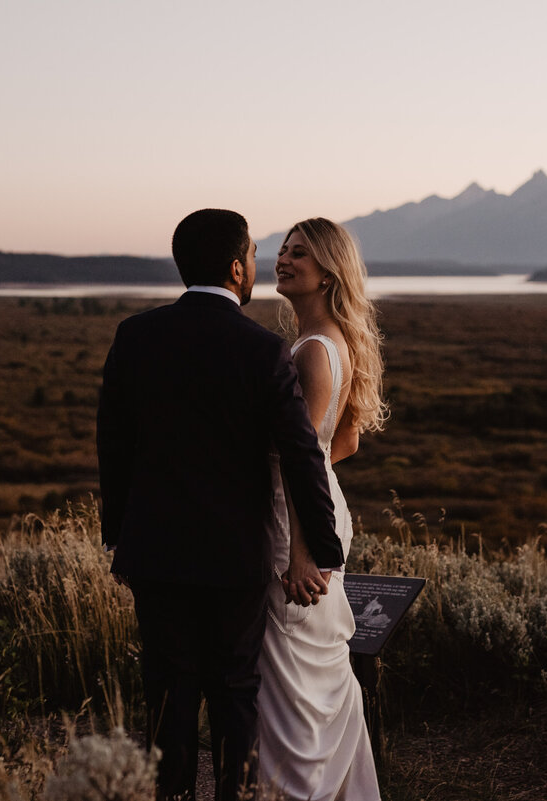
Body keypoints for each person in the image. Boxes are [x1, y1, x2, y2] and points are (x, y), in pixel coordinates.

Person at [96, 209, 344, 801]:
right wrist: (325, 546)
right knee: (236, 693)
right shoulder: (263, 352)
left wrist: (119, 535)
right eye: (257, 253)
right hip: (236, 559)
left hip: (155, 554)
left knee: (167, 695)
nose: (261, 263)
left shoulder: (135, 335)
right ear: (237, 268)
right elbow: (303, 455)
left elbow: (113, 442)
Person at [257, 217, 389, 800]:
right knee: (317, 670)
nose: (283, 260)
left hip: (297, 527)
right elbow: (344, 445)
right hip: (319, 507)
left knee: (289, 678)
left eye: (300, 255)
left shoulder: (311, 353)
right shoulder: (340, 342)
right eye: (283, 250)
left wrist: (301, 555)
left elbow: (301, 458)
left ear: (328, 272)